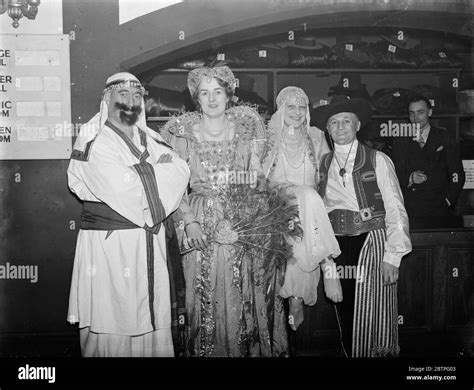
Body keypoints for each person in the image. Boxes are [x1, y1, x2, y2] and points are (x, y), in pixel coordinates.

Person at [162, 66, 289, 357]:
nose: (211, 98)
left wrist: (250, 219)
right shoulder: (182, 135)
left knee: (243, 291)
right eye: (204, 93)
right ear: (196, 97)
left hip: (241, 221)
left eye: (217, 91)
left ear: (228, 94)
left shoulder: (246, 130)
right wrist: (189, 222)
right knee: (202, 296)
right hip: (199, 222)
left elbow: (257, 180)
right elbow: (174, 185)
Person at [67, 72, 190, 357]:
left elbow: (181, 170)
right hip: (111, 246)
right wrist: (156, 169)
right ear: (107, 99)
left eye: (137, 96)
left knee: (152, 320)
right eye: (122, 95)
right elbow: (121, 187)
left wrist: (142, 171)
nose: (131, 103)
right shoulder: (93, 138)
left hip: (148, 243)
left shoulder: (151, 136)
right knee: (112, 318)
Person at [311, 96, 412, 357]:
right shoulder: (322, 164)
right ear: (328, 129)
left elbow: (395, 207)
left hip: (371, 242)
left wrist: (393, 255)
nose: (340, 127)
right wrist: (326, 261)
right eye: (334, 122)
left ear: (357, 125)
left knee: (373, 310)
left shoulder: (378, 159)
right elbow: (318, 213)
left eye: (346, 121)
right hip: (337, 245)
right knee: (344, 311)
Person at [260, 86, 342, 332]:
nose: (297, 112)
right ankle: (328, 262)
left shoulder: (315, 135)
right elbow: (256, 178)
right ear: (281, 109)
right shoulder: (267, 137)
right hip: (274, 205)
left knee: (305, 213)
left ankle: (295, 301)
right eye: (291, 106)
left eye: (302, 106)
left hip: (310, 208)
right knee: (305, 199)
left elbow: (328, 175)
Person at [392, 95, 465, 217]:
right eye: (412, 113)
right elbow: (395, 173)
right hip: (411, 208)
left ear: (429, 112)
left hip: (440, 208)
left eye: (420, 112)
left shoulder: (445, 137)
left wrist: (448, 201)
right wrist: (410, 177)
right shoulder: (401, 140)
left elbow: (457, 173)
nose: (415, 118)